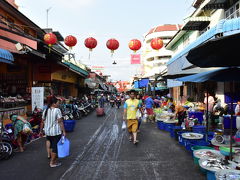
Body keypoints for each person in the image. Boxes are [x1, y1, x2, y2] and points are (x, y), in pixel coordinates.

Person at [40, 96, 66, 168]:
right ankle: (52, 162)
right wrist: (64, 131)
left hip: (48, 132)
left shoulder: (45, 110)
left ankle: (53, 160)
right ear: (54, 103)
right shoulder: (57, 110)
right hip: (55, 132)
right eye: (58, 103)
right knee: (55, 147)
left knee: (52, 146)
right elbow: (60, 122)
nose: (58, 104)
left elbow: (42, 122)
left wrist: (41, 131)